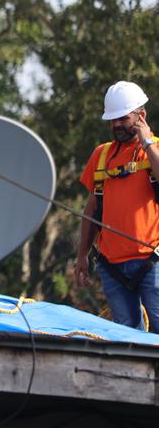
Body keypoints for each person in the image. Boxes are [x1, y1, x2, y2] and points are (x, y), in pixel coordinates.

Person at [74, 81, 159, 332]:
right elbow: (91, 211)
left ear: (141, 116)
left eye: (122, 118)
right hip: (111, 267)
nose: (116, 125)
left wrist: (147, 144)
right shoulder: (101, 155)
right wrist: (81, 256)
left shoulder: (154, 150)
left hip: (152, 262)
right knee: (127, 339)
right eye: (111, 120)